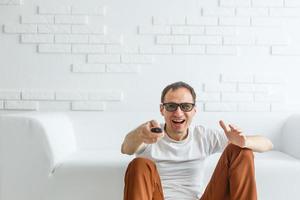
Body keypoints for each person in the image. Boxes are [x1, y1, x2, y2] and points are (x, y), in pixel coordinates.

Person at [121, 81, 273, 200]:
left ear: (194, 110)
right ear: (162, 110)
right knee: (139, 164)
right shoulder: (150, 134)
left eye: (185, 106)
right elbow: (126, 148)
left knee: (241, 150)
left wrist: (243, 142)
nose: (178, 113)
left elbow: (267, 143)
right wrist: (139, 134)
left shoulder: (202, 136)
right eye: (171, 106)